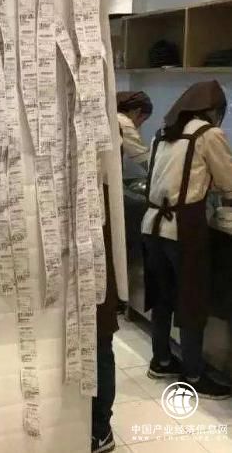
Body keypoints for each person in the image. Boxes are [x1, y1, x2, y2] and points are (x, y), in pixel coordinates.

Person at [142, 80, 232, 399]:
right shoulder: (208, 134)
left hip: (152, 225)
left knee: (163, 298)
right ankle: (193, 374)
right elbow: (228, 180)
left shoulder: (163, 133)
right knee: (192, 300)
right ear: (213, 111)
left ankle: (162, 360)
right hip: (184, 227)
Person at [92, 91, 153, 453]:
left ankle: (98, 428)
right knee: (101, 340)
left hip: (99, 245)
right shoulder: (121, 123)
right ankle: (99, 427)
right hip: (101, 245)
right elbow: (144, 159)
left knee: (99, 339)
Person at [117, 91, 153, 169]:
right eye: (143, 120)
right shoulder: (123, 123)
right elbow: (147, 162)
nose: (139, 125)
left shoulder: (114, 117)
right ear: (137, 112)